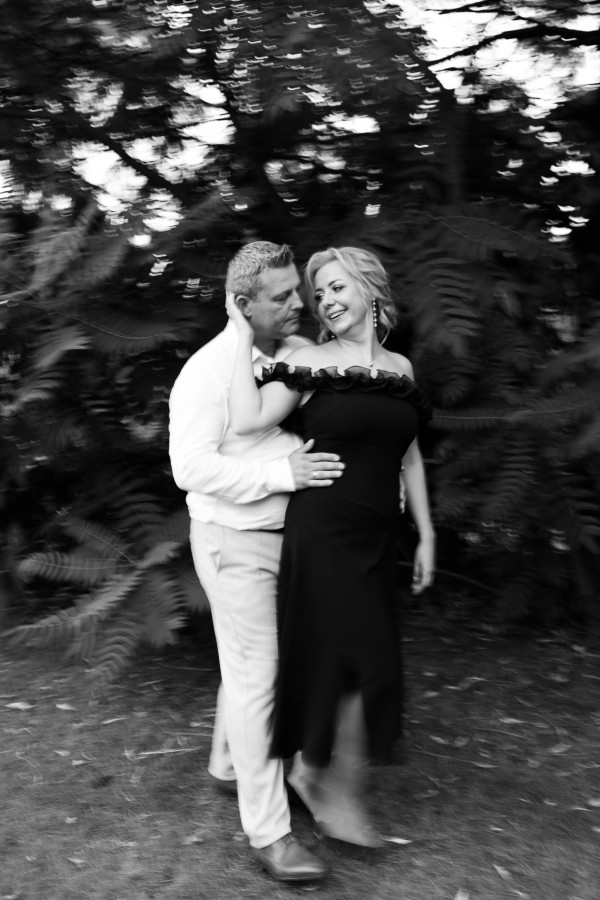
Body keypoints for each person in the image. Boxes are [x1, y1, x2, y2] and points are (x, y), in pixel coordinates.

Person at [226, 245, 436, 847]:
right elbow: (247, 419)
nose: (326, 301)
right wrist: (240, 334)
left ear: (370, 289)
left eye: (338, 287)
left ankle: (312, 772)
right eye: (320, 294)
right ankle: (329, 788)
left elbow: (410, 458)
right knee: (357, 660)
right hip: (323, 531)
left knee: (363, 662)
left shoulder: (400, 367)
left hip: (378, 536)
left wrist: (427, 533)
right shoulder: (311, 362)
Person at [169, 241, 345, 882]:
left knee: (252, 666)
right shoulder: (208, 371)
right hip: (233, 542)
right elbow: (190, 468)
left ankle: (226, 764)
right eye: (282, 296)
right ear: (242, 304)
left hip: (288, 541)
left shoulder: (293, 355)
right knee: (258, 679)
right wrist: (282, 475)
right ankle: (271, 835)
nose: (300, 302)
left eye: (297, 289)